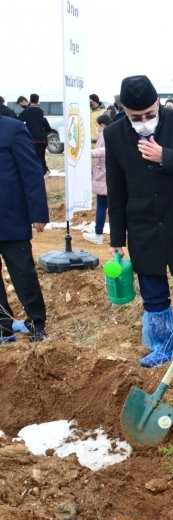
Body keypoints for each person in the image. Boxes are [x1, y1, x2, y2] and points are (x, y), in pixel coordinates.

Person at [105, 75, 173, 368]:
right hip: (142, 226)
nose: (143, 121)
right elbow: (115, 190)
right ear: (123, 111)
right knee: (153, 295)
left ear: (157, 104)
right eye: (135, 117)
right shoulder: (114, 134)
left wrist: (165, 156)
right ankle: (162, 348)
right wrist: (117, 239)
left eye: (149, 115)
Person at [0, 116, 50, 344]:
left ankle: (36, 322)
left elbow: (31, 172)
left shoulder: (12, 129)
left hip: (10, 218)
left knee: (23, 273)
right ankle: (3, 327)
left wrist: (37, 213)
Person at [83, 114, 112, 245]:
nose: (96, 127)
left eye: (96, 124)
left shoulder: (107, 134)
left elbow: (107, 151)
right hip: (105, 175)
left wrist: (91, 153)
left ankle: (99, 234)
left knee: (102, 206)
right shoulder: (108, 134)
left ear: (101, 125)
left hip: (104, 176)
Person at [17, 94, 51, 174]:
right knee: (41, 156)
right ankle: (45, 170)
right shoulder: (40, 110)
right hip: (43, 137)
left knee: (35, 156)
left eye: (20, 104)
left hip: (34, 138)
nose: (21, 106)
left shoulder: (27, 110)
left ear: (24, 101)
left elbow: (18, 121)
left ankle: (41, 172)